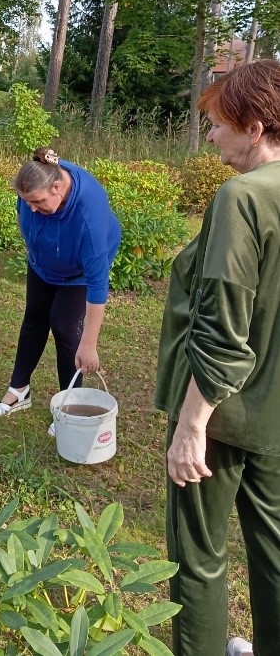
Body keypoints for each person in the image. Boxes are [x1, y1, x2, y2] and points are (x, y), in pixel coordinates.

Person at [155, 59, 280, 656]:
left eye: (217, 123)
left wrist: (190, 426)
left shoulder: (243, 198)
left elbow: (224, 332)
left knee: (199, 558)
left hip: (223, 418)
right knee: (276, 552)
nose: (210, 136)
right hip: (278, 417)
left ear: (255, 127)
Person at [0, 147, 121, 436]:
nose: (32, 208)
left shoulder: (90, 215)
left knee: (63, 324)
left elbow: (98, 287)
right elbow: (29, 214)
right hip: (43, 261)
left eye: (37, 202)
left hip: (78, 272)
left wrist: (89, 344)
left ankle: (70, 407)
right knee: (34, 317)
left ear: (57, 188)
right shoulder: (38, 182)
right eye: (27, 202)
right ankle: (19, 390)